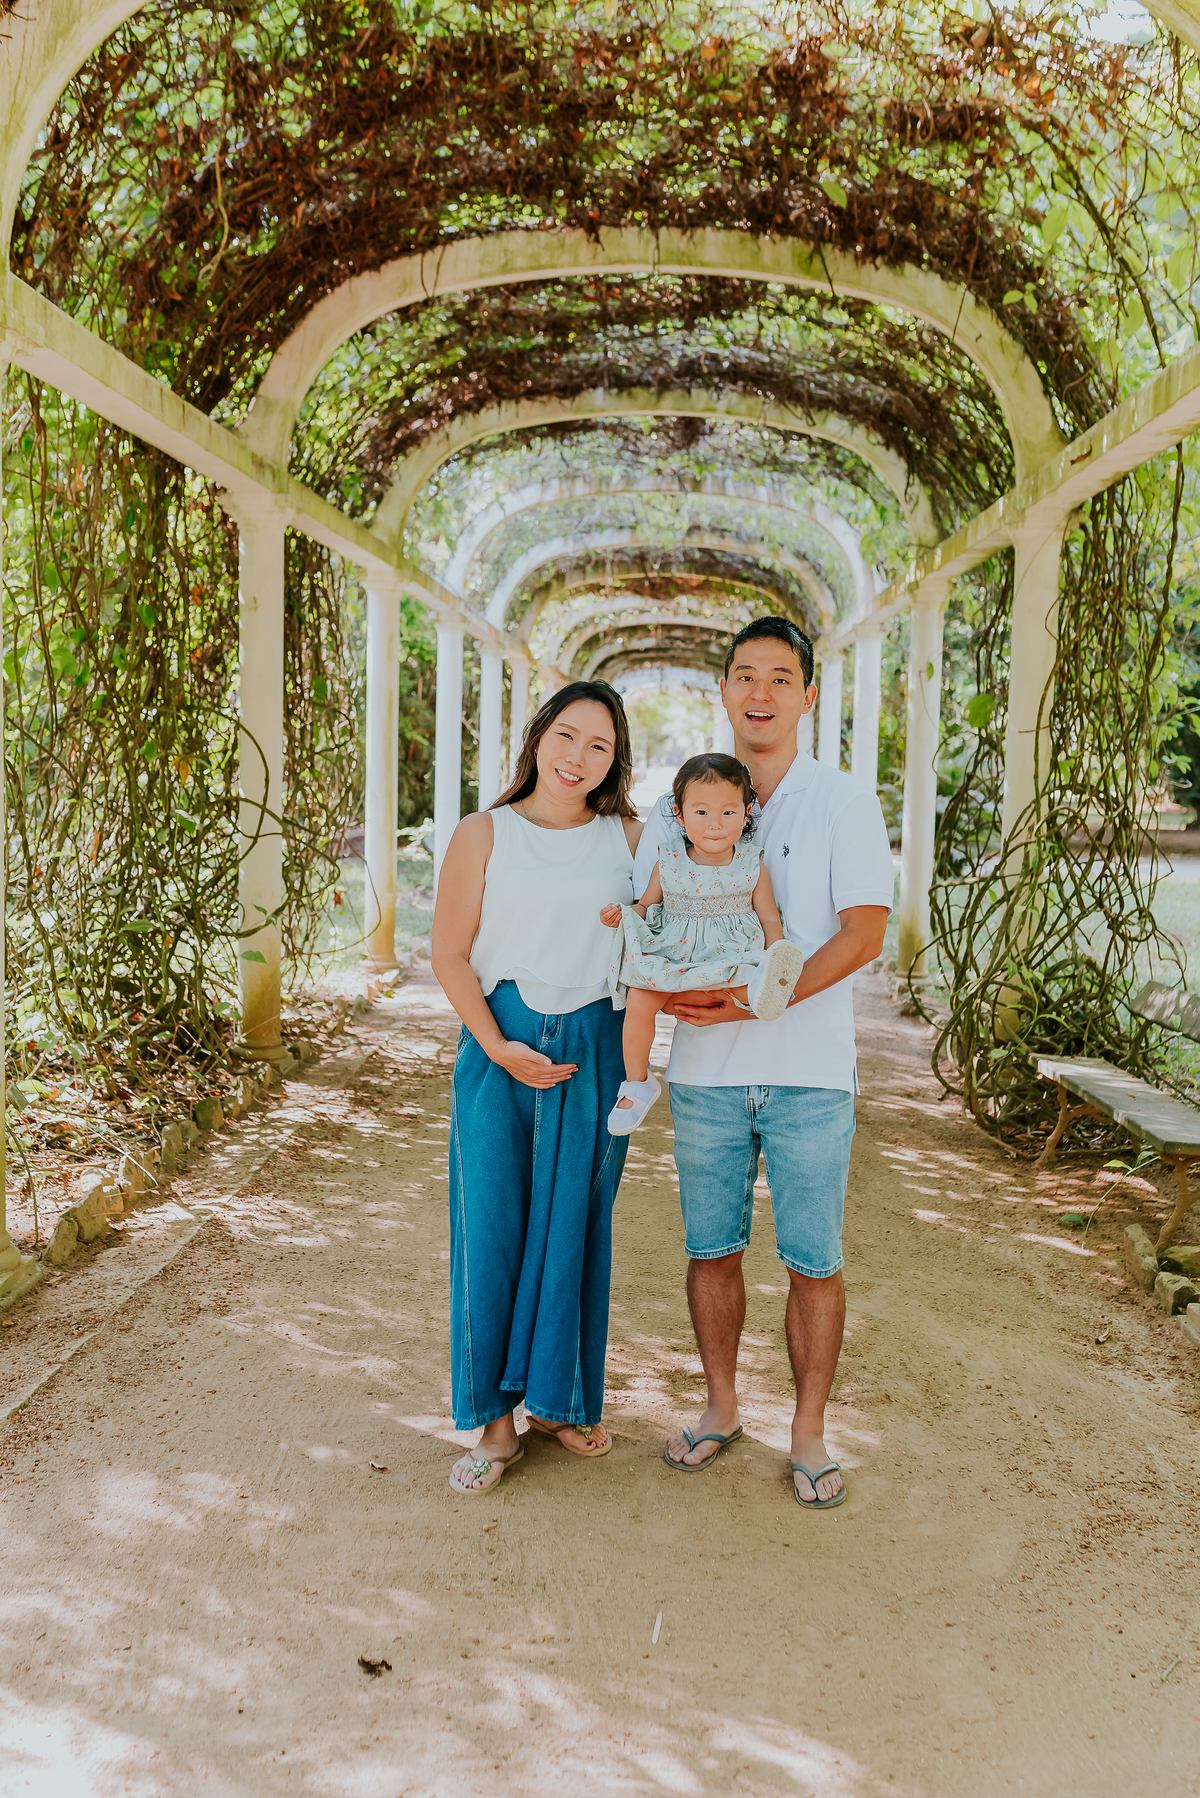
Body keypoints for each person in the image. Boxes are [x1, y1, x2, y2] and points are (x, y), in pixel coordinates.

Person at [636, 618, 894, 1509]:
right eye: (744, 675)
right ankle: (720, 1408)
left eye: (780, 679)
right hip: (705, 1070)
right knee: (712, 1250)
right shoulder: (688, 803)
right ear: (724, 691)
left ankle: (811, 1433)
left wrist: (760, 998)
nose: (760, 692)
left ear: (807, 696)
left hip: (811, 1073)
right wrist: (667, 993)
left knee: (813, 1260)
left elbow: (864, 932)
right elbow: (646, 925)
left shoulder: (842, 801)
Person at [432, 681, 642, 1495]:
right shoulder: (484, 833)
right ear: (538, 737)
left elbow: (668, 934)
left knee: (577, 1229)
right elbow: (450, 953)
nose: (578, 757)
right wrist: (498, 1043)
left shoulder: (630, 837)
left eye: (599, 744)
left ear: (616, 758)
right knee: (491, 1227)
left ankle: (558, 1401)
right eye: (567, 735)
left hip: (595, 1047)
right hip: (499, 1044)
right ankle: (495, 1424)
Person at [600, 753, 805, 1134]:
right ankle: (637, 1083)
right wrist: (625, 913)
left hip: (732, 953)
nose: (715, 824)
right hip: (676, 952)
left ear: (746, 815)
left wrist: (776, 952)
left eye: (728, 813)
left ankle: (771, 987)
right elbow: (647, 903)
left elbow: (769, 917)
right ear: (679, 814)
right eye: (701, 812)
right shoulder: (669, 860)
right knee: (640, 1000)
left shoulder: (751, 863)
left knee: (749, 985)